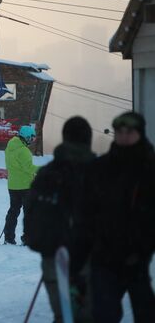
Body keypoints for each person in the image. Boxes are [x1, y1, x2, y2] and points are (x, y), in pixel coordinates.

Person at [74, 112, 155, 323]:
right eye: (120, 131)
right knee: (104, 315)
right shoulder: (99, 168)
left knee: (146, 314)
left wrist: (143, 246)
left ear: (140, 133)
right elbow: (84, 215)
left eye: (130, 132)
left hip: (138, 259)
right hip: (104, 259)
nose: (124, 136)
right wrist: (78, 261)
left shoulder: (150, 168)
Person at [24, 117, 95, 323]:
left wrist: (41, 243)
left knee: (63, 315)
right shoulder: (99, 171)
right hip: (91, 256)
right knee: (89, 315)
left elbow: (30, 208)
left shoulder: (47, 173)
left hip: (54, 255)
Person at [3, 125, 39, 245]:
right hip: (25, 185)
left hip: (13, 185)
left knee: (13, 211)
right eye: (31, 138)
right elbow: (29, 168)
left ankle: (8, 237)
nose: (32, 141)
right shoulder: (23, 151)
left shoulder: (9, 147)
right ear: (26, 137)